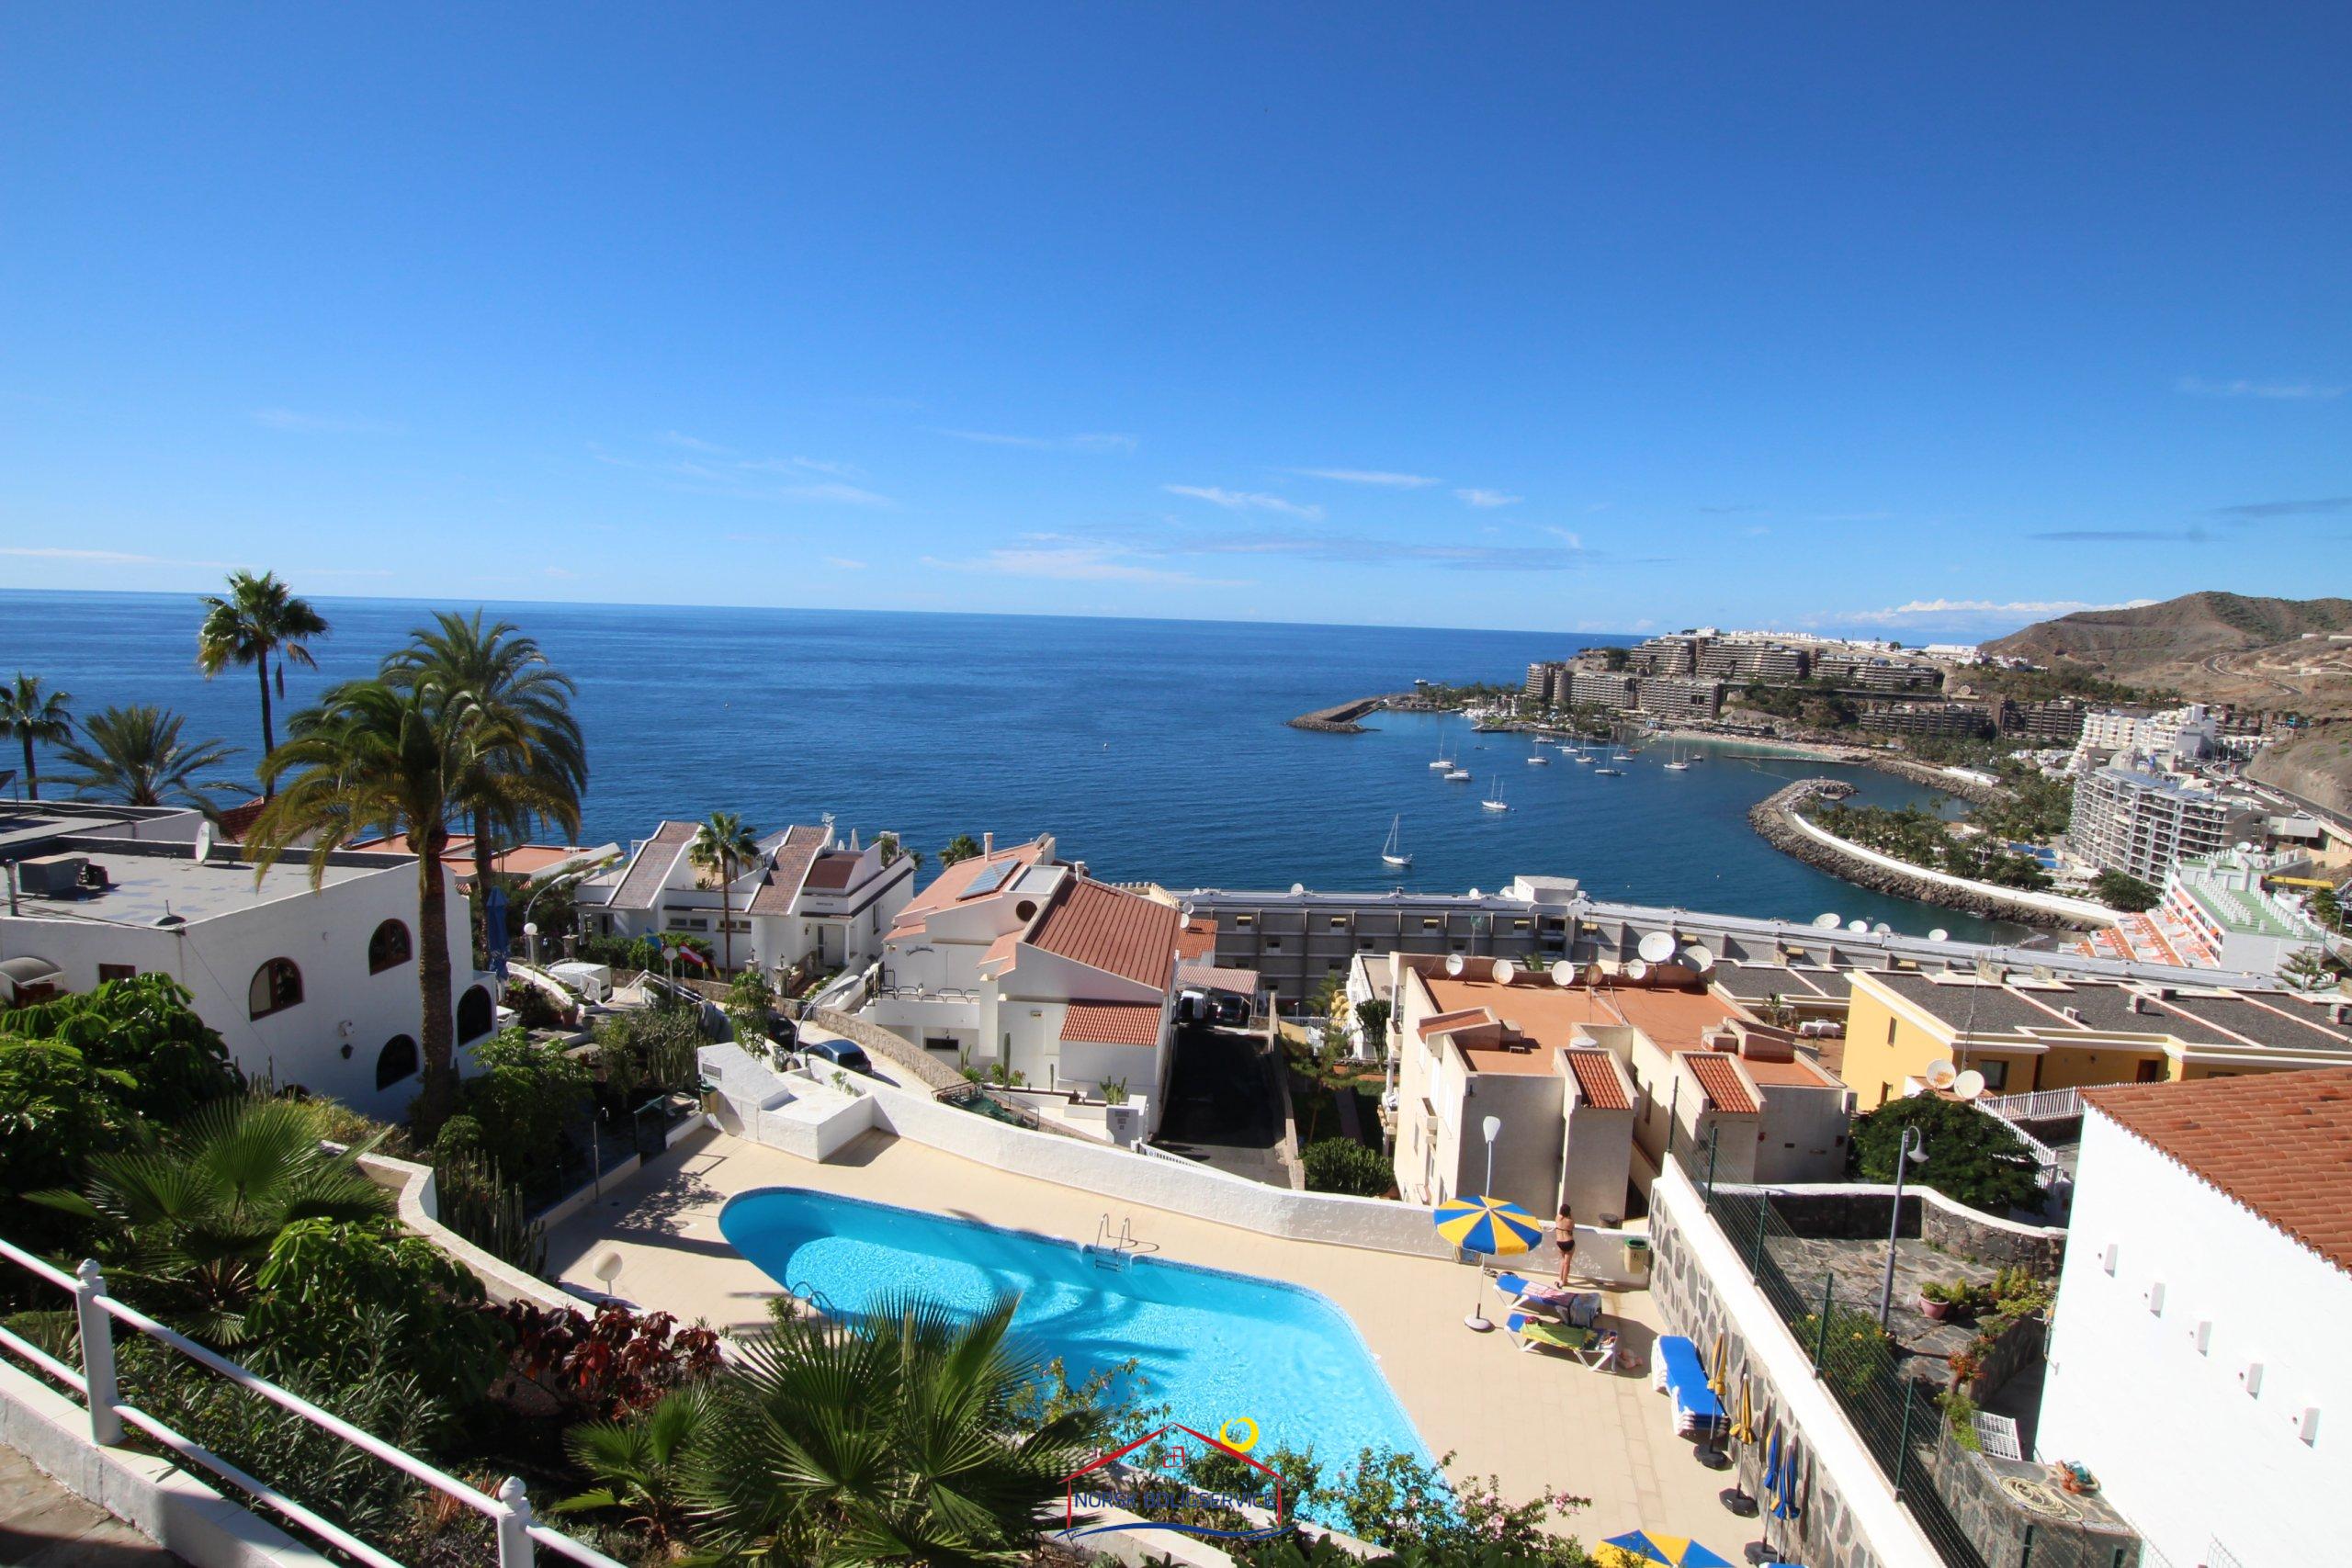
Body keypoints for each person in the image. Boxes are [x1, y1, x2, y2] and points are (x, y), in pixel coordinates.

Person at [1555, 1203, 1577, 1284]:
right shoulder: (1570, 1221)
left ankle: (1560, 1278)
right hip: (1569, 1242)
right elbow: (1573, 1227)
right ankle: (1564, 1281)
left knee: (1562, 1260)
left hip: (1560, 1242)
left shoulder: (1557, 1218)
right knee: (1567, 1263)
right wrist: (1571, 1215)